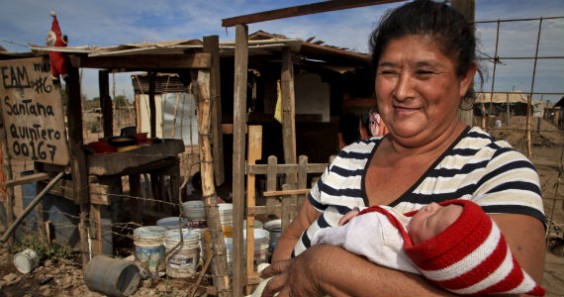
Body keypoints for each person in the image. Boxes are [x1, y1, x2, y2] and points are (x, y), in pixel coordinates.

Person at [259, 1, 546, 296]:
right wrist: (289, 282)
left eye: (424, 73)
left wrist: (326, 269)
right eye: (389, 72)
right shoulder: (349, 159)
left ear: (464, 79)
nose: (401, 91)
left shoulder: (499, 172)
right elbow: (294, 233)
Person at [312, 199, 545, 296]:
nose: (432, 205)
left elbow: (336, 239)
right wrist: (361, 213)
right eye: (445, 206)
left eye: (432, 219)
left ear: (428, 254)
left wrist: (347, 228)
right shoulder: (413, 234)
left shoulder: (383, 241)